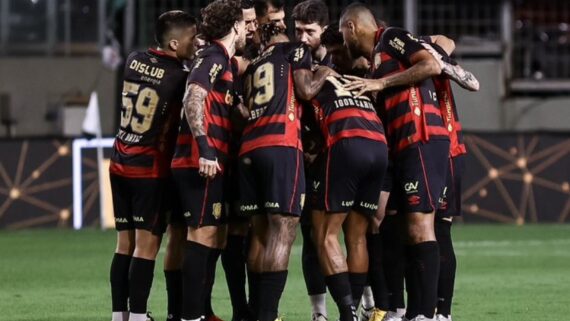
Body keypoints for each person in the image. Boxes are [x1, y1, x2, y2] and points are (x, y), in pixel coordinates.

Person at [340, 3, 452, 321]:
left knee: (421, 227)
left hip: (422, 138)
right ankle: (413, 312)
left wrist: (381, 85)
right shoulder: (377, 62)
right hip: (402, 147)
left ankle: (427, 315)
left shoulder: (389, 37)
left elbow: (430, 64)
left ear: (351, 27)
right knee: (401, 228)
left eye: (342, 34)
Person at [238, 22, 336, 321]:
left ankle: (257, 312)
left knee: (260, 233)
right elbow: (306, 90)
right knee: (283, 232)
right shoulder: (294, 51)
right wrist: (324, 72)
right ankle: (267, 315)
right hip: (280, 145)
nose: (301, 38)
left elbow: (241, 109)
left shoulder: (252, 66)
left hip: (248, 148)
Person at [108, 10, 198, 321]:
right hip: (149, 169)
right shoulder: (180, 78)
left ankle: (119, 315)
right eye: (192, 37)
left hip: (119, 161)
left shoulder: (133, 59)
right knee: (146, 248)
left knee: (124, 244)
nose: (196, 43)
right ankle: (138, 316)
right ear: (174, 43)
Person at [170, 1, 246, 321]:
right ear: (234, 27)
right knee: (201, 236)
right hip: (198, 162)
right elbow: (193, 95)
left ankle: (196, 312)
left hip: (203, 161)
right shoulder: (215, 56)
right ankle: (191, 316)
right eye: (243, 24)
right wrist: (206, 148)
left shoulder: (219, 59)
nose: (247, 30)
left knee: (209, 236)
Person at [309, 23, 389, 321]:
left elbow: (304, 99)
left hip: (347, 145)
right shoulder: (358, 81)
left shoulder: (317, 76)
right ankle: (355, 310)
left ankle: (346, 314)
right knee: (357, 237)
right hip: (379, 147)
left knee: (325, 235)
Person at [291, 1, 331, 320]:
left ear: (324, 31)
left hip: (342, 157)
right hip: (307, 160)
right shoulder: (290, 60)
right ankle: (319, 313)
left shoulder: (342, 59)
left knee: (362, 230)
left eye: (310, 31)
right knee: (312, 236)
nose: (302, 37)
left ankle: (372, 303)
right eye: (298, 30)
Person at [220, 1, 259, 321]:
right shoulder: (222, 61)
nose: (251, 27)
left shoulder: (265, 55)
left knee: (254, 231)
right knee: (232, 232)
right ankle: (238, 308)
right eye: (245, 22)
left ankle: (255, 308)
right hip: (229, 157)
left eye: (254, 21)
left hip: (258, 154)